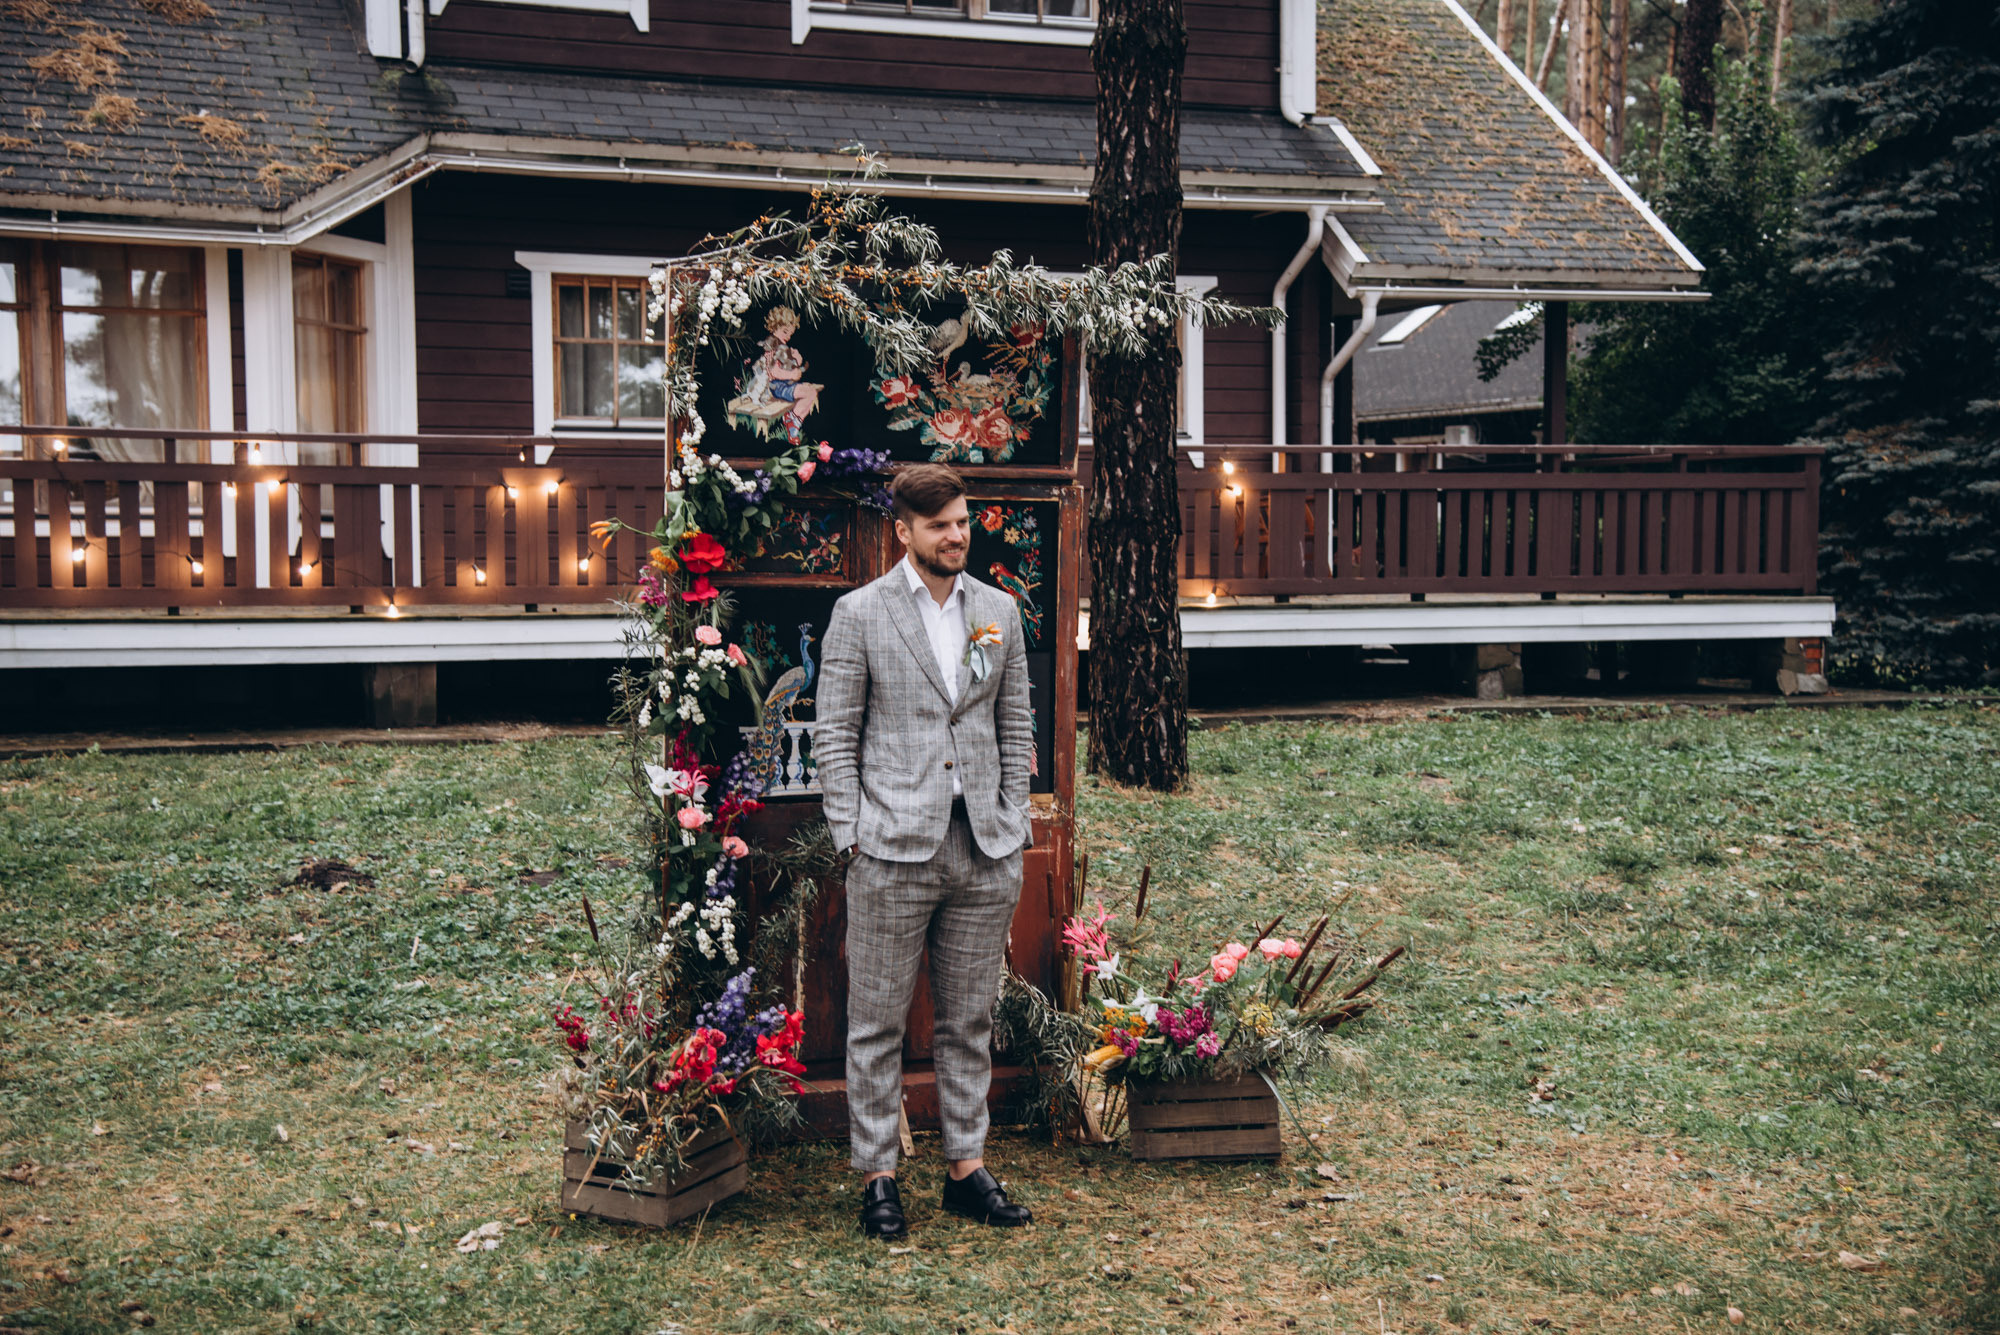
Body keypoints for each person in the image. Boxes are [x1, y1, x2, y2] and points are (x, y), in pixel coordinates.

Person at [812, 462, 1036, 1240]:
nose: (957, 535)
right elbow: (834, 734)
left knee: (968, 1020)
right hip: (892, 848)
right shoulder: (860, 613)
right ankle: (879, 1176)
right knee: (875, 1022)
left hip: (983, 848)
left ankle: (965, 1169)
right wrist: (852, 833)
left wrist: (1014, 820)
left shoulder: (1000, 611)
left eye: (963, 521)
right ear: (902, 530)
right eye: (940, 524)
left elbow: (1015, 727)